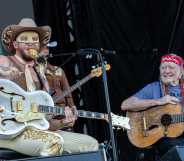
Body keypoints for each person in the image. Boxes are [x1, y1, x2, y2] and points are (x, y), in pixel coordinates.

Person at [0, 18, 98, 156]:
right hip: (7, 130)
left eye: (34, 39)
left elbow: (43, 119)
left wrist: (63, 122)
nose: (30, 42)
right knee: (53, 142)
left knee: (90, 144)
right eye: (25, 39)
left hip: (35, 130)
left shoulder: (41, 73)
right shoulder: (4, 62)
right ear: (15, 44)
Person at [121, 53, 184, 158]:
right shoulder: (153, 88)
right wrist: (159, 101)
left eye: (171, 67)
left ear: (181, 72)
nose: (166, 71)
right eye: (163, 67)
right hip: (165, 144)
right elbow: (125, 105)